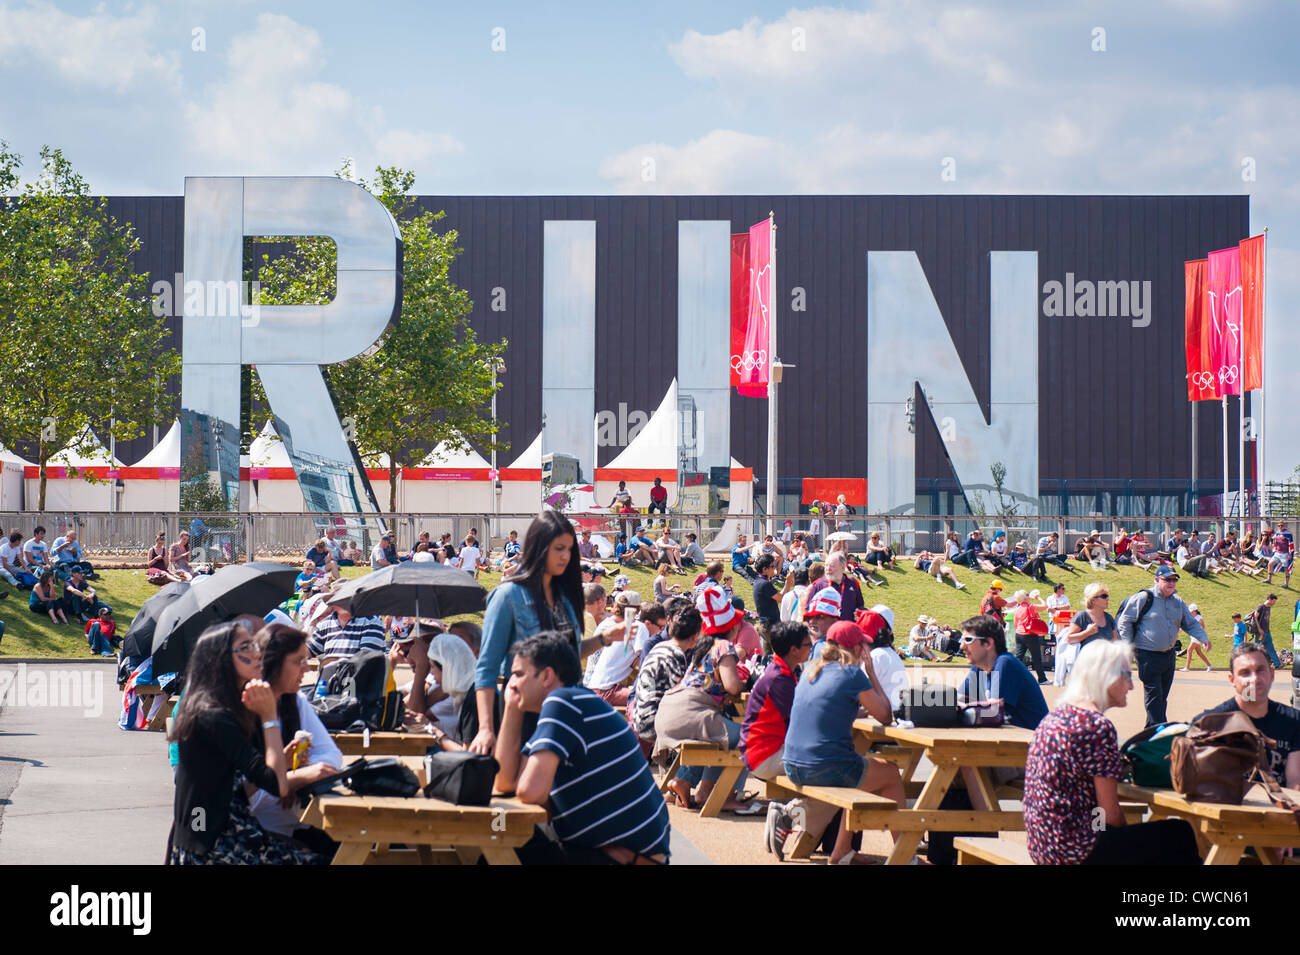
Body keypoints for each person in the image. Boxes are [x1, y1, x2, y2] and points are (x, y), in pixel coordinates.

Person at [493, 632, 671, 864]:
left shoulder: (563, 703)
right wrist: (511, 709)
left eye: (518, 674)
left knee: (496, 842)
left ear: (547, 676)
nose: (511, 683)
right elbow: (504, 781)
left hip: (620, 858)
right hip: (617, 853)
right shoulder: (574, 701)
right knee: (499, 835)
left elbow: (530, 792)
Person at [1023, 640, 1200, 865]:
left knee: (1149, 839)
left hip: (1044, 845)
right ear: (1106, 676)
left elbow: (1097, 810)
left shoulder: (1055, 718)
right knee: (1179, 832)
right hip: (1074, 851)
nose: (1131, 686)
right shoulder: (1096, 726)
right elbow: (1110, 812)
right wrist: (1126, 837)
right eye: (1127, 675)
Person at [168, 621, 325, 864]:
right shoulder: (213, 715)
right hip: (213, 846)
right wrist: (269, 716)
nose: (256, 652)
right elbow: (278, 786)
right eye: (246, 647)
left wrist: (280, 760)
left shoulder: (220, 709)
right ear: (221, 659)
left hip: (221, 833)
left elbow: (238, 790)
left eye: (254, 644)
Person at [471, 511, 611, 755]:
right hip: (524, 710)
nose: (565, 556)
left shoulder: (565, 598)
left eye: (569, 549)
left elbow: (568, 654)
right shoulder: (507, 596)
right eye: (559, 548)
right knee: (523, 788)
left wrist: (603, 639)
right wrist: (485, 728)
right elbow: (486, 667)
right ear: (539, 547)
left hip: (568, 708)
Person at [783, 619, 905, 864]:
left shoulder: (811, 669)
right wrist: (870, 673)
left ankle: (842, 852)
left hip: (792, 763)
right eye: (863, 646)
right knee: (890, 773)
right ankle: (906, 855)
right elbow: (885, 715)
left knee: (860, 778)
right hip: (824, 766)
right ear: (857, 648)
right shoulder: (851, 673)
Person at [655, 585, 761, 814]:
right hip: (692, 713)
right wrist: (748, 684)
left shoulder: (701, 648)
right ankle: (722, 795)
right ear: (732, 627)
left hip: (671, 710)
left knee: (715, 734)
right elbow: (733, 685)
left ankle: (683, 782)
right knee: (750, 737)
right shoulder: (724, 646)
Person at [245, 624, 343, 852]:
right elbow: (241, 796)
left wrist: (294, 776)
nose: (306, 668)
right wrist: (292, 778)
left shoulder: (295, 701)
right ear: (272, 662)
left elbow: (331, 755)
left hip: (297, 822)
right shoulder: (244, 707)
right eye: (298, 661)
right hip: (253, 832)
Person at [742, 621, 813, 859]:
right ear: (794, 650)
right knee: (835, 771)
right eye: (807, 644)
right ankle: (788, 814)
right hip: (766, 754)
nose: (811, 646)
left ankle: (790, 815)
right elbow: (802, 721)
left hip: (762, 750)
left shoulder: (782, 671)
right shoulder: (780, 679)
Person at [1195, 642, 1300, 791]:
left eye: (1260, 670)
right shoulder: (1210, 723)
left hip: (1277, 809)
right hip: (1225, 809)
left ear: (1272, 674)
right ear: (1232, 680)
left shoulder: (1294, 722)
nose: (1254, 679)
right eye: (1245, 672)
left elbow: (1295, 783)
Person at [1116, 565, 1208, 726]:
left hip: (1169, 655)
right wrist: (1127, 647)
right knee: (1154, 694)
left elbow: (1190, 623)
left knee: (1161, 697)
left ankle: (1150, 733)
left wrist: (1203, 637)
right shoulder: (1144, 598)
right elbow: (1125, 621)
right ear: (1157, 580)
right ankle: (1160, 730)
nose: (1171, 583)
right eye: (1167, 579)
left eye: (1174, 580)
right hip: (1147, 655)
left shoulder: (1178, 602)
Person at [630, 603, 700, 757]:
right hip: (651, 723)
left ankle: (683, 778)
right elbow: (681, 697)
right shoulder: (677, 655)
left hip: (641, 715)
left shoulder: (661, 647)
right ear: (695, 636)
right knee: (715, 732)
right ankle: (684, 779)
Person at [584, 590, 645, 706]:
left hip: (590, 684)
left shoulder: (605, 624)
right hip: (604, 689)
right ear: (636, 610)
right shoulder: (636, 627)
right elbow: (644, 662)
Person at [1055, 582, 1115, 686]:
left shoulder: (1108, 618)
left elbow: (1115, 641)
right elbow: (1069, 638)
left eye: (1107, 595)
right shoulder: (1082, 616)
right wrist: (1087, 633)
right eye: (1104, 596)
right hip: (1085, 669)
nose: (1107, 599)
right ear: (1093, 600)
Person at [305, 598, 387, 659]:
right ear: (333, 602)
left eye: (348, 598)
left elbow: (368, 660)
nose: (345, 602)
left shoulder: (371, 621)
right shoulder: (325, 624)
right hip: (332, 680)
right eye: (341, 598)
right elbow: (307, 651)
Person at [805, 551, 865, 622]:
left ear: (842, 568)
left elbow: (860, 605)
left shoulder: (853, 583)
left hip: (848, 628)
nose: (828, 569)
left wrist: (859, 613)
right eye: (826, 565)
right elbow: (808, 609)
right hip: (826, 630)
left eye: (832, 566)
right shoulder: (818, 585)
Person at [1011, 588, 1050, 684]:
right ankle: (1042, 679)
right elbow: (1045, 606)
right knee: (1036, 657)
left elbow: (1015, 623)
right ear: (1025, 598)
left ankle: (1012, 676)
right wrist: (1038, 597)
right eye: (1027, 595)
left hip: (1019, 634)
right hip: (1030, 634)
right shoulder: (1031, 607)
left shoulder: (1017, 609)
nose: (1029, 596)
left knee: (1019, 657)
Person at [1248, 594, 1283, 668]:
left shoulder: (1268, 608)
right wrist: (1259, 628)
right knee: (1257, 648)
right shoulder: (1261, 607)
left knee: (1270, 648)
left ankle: (1277, 664)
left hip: (1267, 632)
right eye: (1274, 601)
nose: (1274, 603)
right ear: (1269, 599)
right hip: (1260, 634)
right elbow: (1255, 617)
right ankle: (1254, 664)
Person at [751, 553, 782, 631]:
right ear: (764, 569)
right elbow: (781, 599)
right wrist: (788, 584)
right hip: (771, 626)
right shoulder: (765, 584)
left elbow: (777, 597)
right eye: (772, 566)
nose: (774, 568)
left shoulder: (759, 581)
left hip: (766, 625)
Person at [1180, 602, 1213, 671]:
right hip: (1194, 636)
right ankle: (1209, 665)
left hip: (1196, 637)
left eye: (1192, 611)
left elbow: (1202, 626)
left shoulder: (1198, 617)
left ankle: (1187, 667)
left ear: (1195, 611)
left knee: (1189, 650)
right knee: (1199, 652)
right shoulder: (1192, 617)